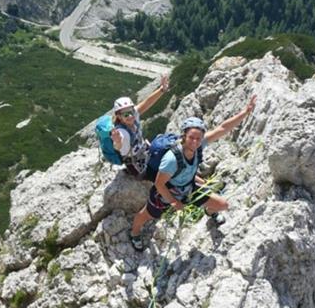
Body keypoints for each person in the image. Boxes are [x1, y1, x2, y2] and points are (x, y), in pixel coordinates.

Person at [129, 96, 257, 252]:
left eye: (198, 138)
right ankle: (134, 233)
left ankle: (209, 212)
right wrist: (174, 202)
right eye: (191, 138)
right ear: (184, 136)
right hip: (166, 193)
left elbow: (223, 128)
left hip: (188, 187)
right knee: (145, 215)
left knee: (223, 205)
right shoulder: (171, 159)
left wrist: (245, 112)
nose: (195, 142)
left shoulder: (199, 145)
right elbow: (159, 184)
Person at [110, 75, 169, 177]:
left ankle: (195, 179)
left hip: (144, 154)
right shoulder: (122, 132)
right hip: (137, 166)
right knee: (167, 168)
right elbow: (118, 146)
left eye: (131, 111)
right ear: (119, 117)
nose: (130, 116)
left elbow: (146, 103)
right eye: (126, 114)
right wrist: (117, 142)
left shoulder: (133, 116)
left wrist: (162, 90)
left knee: (166, 147)